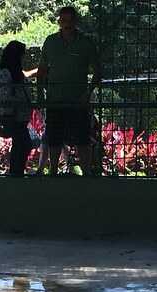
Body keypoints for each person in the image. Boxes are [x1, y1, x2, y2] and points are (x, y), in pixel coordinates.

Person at [38, 6, 100, 176]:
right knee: (54, 138)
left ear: (76, 22)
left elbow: (98, 71)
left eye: (70, 20)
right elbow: (41, 70)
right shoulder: (50, 42)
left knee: (82, 138)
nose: (67, 24)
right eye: (64, 20)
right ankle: (53, 171)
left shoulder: (86, 43)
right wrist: (40, 95)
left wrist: (87, 94)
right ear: (59, 22)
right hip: (55, 99)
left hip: (78, 100)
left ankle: (86, 173)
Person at [0, 41, 34, 177]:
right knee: (24, 143)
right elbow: (5, 93)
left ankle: (17, 171)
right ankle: (16, 171)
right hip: (13, 115)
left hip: (20, 115)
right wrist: (21, 102)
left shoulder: (16, 72)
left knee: (21, 143)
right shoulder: (7, 73)